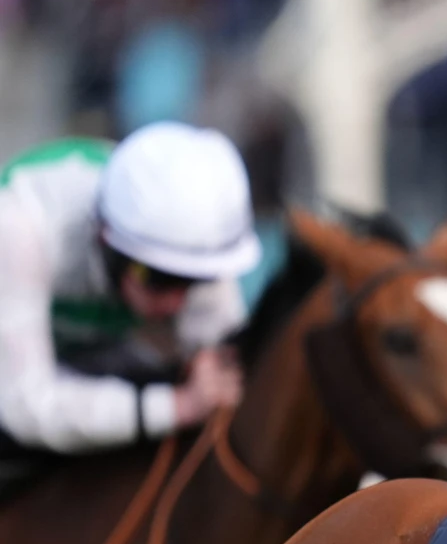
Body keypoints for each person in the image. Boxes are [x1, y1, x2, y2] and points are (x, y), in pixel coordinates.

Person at [0, 122, 261, 457]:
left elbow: (224, 360)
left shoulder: (191, 236)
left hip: (88, 350)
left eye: (193, 281)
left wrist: (211, 363)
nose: (178, 300)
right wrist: (177, 407)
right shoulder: (19, 228)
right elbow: (27, 407)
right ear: (108, 241)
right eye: (161, 279)